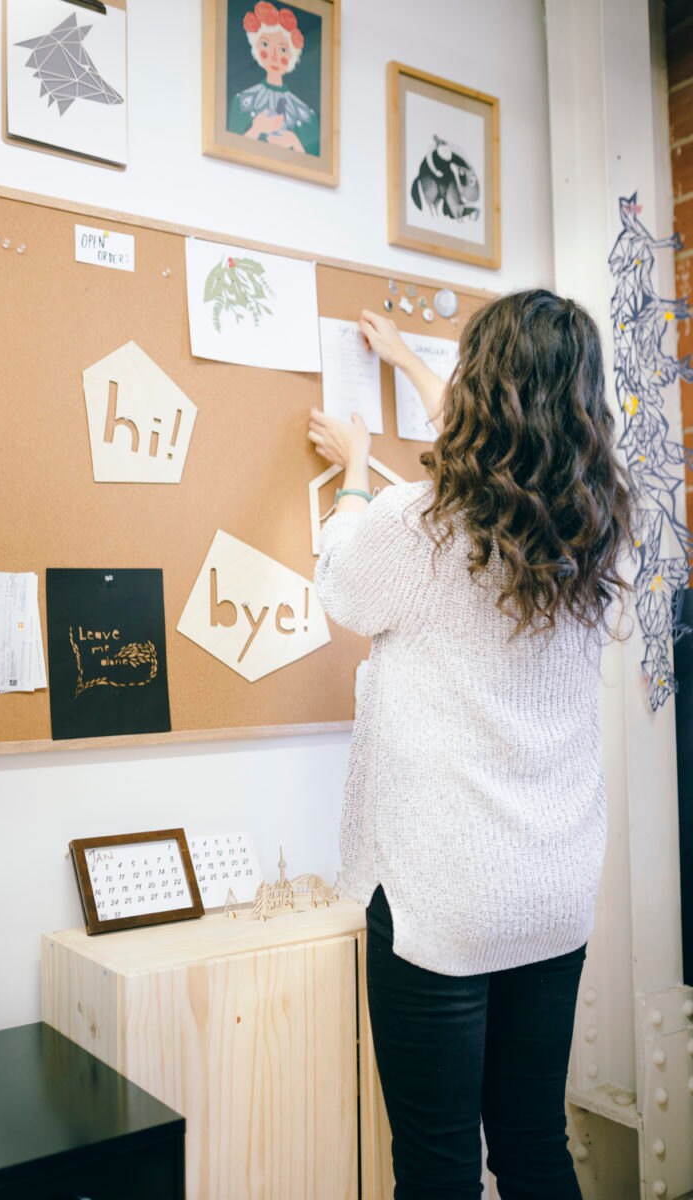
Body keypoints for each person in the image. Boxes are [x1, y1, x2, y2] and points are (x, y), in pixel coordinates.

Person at [307, 293, 633, 1200]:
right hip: (553, 891)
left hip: (442, 902)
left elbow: (342, 580)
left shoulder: (421, 524)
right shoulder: (594, 530)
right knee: (533, 1144)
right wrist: (409, 360)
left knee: (441, 1163)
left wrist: (358, 471)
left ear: (479, 388)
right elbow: (509, 460)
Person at [228, 2, 320, 156]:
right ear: (256, 47)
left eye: (283, 49)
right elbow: (229, 152)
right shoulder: (241, 101)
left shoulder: (307, 115)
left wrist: (295, 142)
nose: (274, 56)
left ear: (292, 55)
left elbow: (316, 165)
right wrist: (256, 129)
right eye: (266, 44)